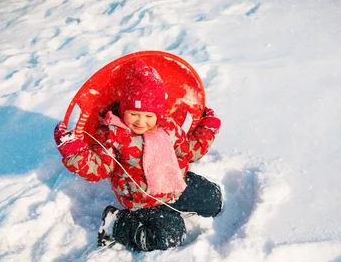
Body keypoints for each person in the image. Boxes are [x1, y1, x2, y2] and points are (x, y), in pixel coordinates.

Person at [54, 60, 222, 251]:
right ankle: (116, 224)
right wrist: (73, 151)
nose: (141, 121)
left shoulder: (169, 129)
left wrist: (207, 128)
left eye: (149, 116)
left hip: (176, 185)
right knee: (168, 236)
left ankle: (178, 206)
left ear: (159, 114)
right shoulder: (113, 135)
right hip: (144, 202)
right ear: (124, 109)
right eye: (134, 114)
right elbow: (98, 167)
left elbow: (190, 150)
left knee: (214, 200)